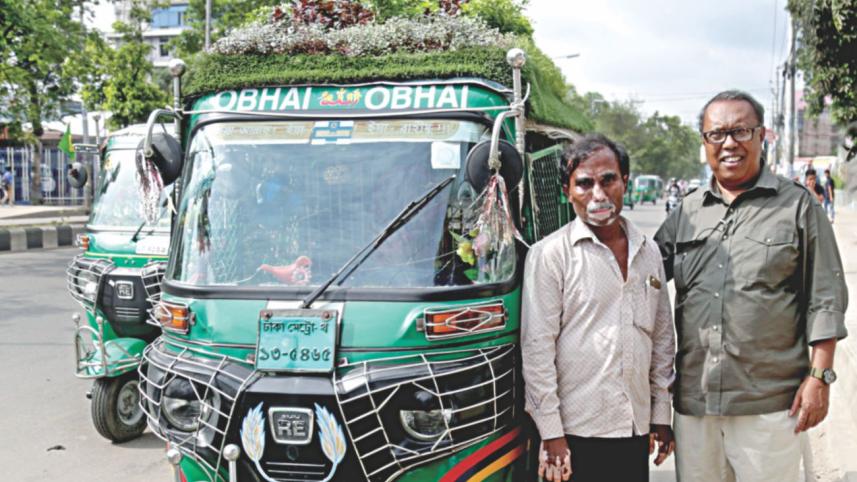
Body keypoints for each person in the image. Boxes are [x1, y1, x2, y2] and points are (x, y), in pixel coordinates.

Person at [655, 90, 848, 482]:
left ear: (762, 136)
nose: (729, 143)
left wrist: (819, 378)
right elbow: (640, 281)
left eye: (741, 131)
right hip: (697, 403)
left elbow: (825, 299)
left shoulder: (798, 207)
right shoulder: (686, 213)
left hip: (770, 405)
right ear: (705, 142)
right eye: (717, 134)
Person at [522, 133, 676, 482]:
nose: (598, 194)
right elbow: (537, 349)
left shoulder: (648, 251)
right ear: (567, 191)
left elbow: (662, 338)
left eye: (608, 180)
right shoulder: (550, 255)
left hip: (632, 430)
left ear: (625, 181)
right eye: (585, 184)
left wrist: (661, 415)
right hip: (574, 435)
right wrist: (551, 433)